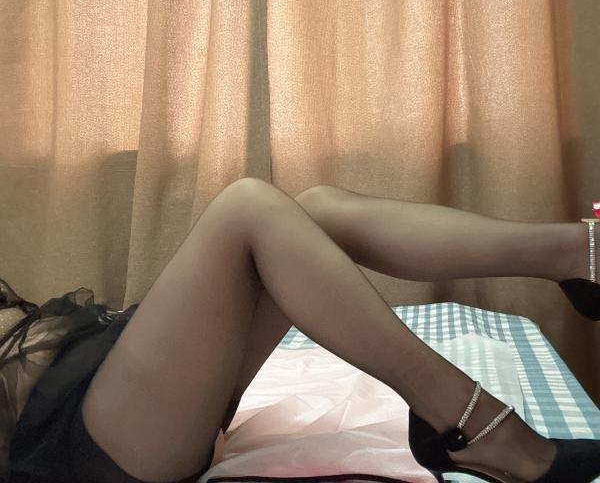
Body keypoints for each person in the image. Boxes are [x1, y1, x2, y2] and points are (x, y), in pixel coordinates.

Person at [1, 178, 599, 483]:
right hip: (83, 449)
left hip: (88, 376)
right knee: (247, 208)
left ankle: (579, 252)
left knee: (318, 209)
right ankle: (474, 424)